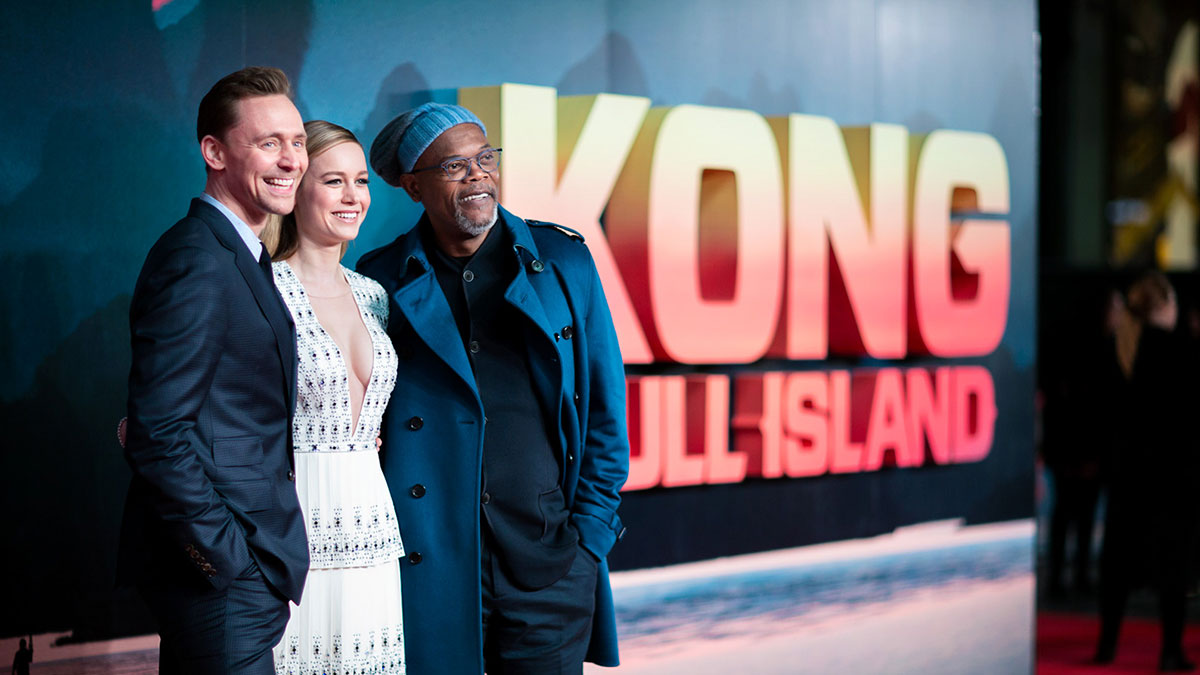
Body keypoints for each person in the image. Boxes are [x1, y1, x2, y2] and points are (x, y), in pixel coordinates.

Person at [357, 102, 630, 674]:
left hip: (549, 563)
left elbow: (605, 408)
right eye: (454, 166)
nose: (478, 176)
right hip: (433, 564)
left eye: (485, 158)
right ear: (413, 186)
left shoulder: (563, 261)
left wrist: (590, 539)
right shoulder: (378, 278)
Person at [118, 66, 309, 674]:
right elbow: (157, 434)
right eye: (269, 143)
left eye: (297, 142)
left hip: (239, 570)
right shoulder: (197, 259)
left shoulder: (239, 254)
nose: (291, 160)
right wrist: (225, 560)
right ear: (214, 152)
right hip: (219, 578)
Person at [263, 120, 405, 673]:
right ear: (295, 191)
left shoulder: (374, 295)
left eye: (361, 181)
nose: (353, 197)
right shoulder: (262, 289)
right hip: (290, 524)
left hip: (371, 523)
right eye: (333, 181)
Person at [1094, 271, 1198, 672]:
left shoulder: (1116, 349)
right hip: (1171, 480)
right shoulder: (1179, 351)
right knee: (1173, 570)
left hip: (1125, 477)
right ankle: (1170, 651)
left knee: (1118, 567)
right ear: (1165, 306)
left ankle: (1107, 645)